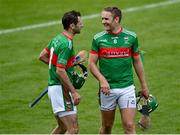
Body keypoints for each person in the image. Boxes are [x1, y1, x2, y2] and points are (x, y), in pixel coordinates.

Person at [89, 7, 149, 134]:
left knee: (129, 125)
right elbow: (92, 64)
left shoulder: (131, 37)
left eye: (106, 19)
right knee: (107, 127)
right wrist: (102, 80)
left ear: (116, 19)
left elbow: (137, 61)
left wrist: (144, 86)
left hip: (126, 88)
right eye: (102, 18)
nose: (103, 22)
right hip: (107, 90)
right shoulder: (98, 39)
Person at [39, 10, 83, 134]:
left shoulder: (57, 38)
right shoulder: (66, 44)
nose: (82, 25)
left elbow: (42, 56)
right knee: (72, 130)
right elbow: (60, 70)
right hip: (61, 90)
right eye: (80, 23)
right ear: (72, 26)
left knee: (63, 128)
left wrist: (67, 65)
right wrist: (73, 92)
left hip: (55, 88)